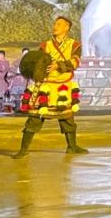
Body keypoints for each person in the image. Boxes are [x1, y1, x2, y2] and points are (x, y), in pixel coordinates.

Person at [13, 16, 88, 158]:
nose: (55, 26)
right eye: (55, 24)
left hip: (62, 85)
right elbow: (37, 62)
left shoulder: (74, 45)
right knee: (35, 117)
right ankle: (23, 150)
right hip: (46, 85)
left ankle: (72, 147)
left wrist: (58, 65)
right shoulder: (45, 45)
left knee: (67, 118)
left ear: (67, 27)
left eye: (59, 24)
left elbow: (75, 61)